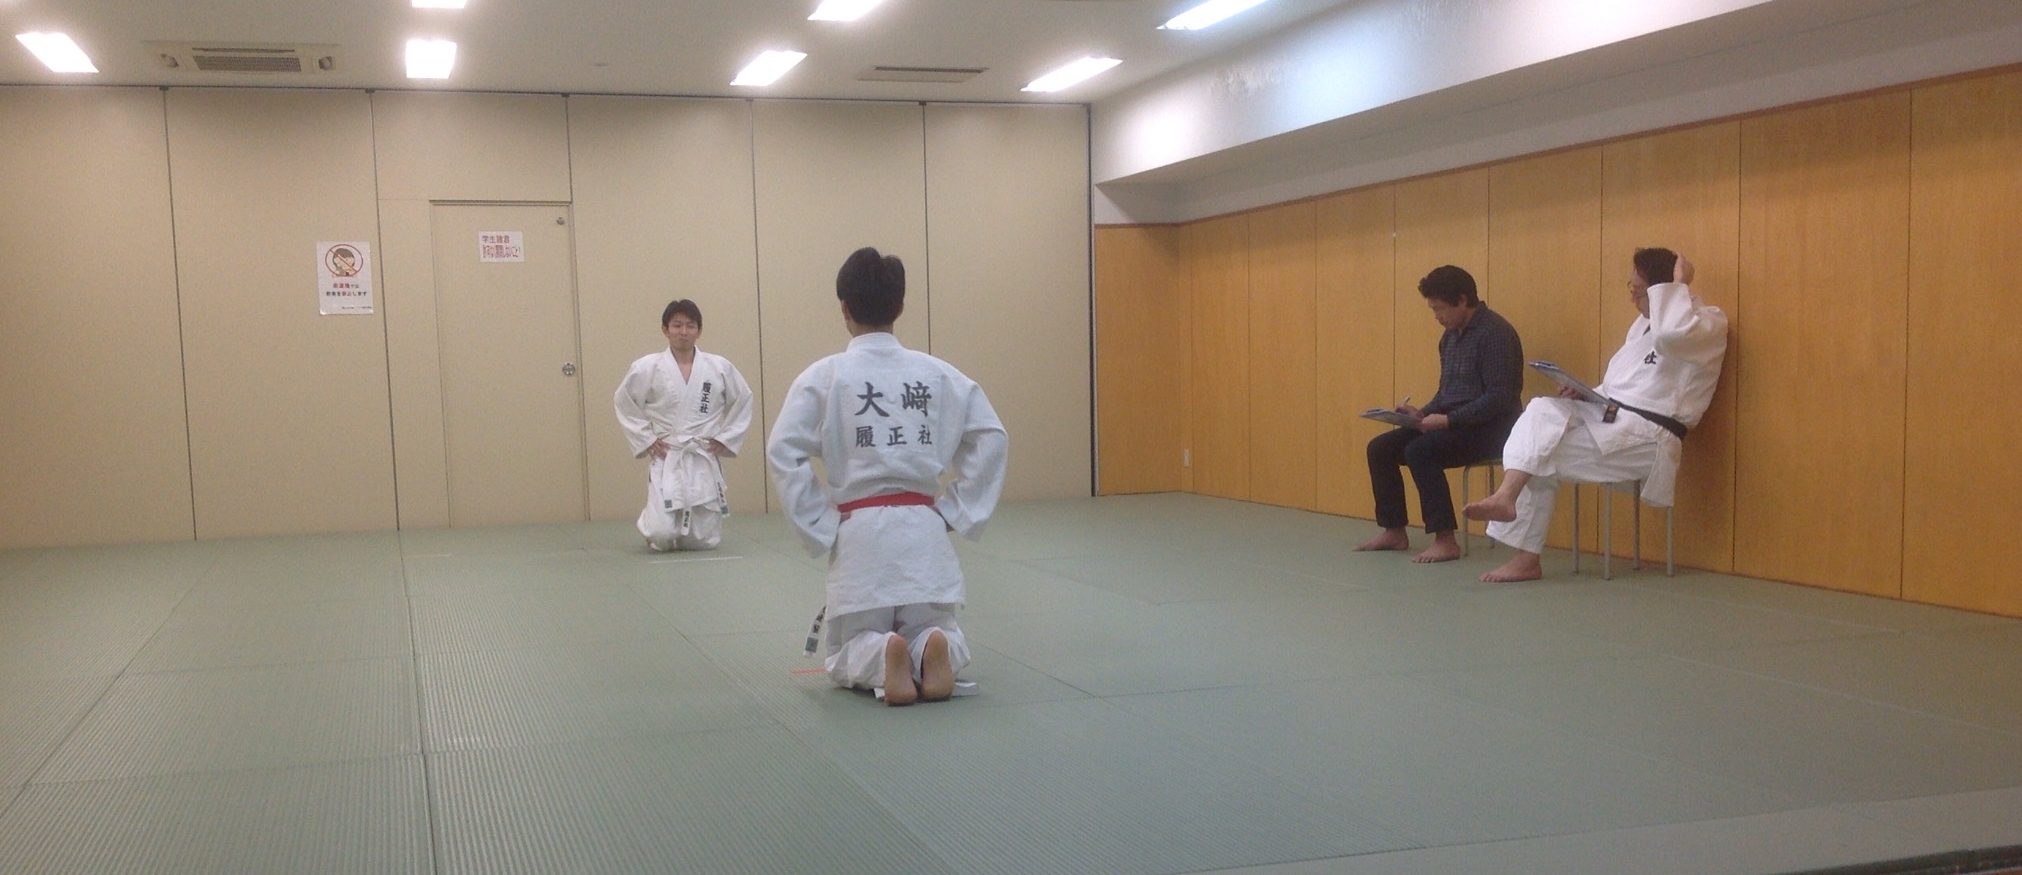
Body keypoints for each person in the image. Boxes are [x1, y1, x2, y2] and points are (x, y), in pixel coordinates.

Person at [767, 247, 1008, 706]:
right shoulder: (939, 375)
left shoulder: (824, 377)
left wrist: (819, 521)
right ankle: (932, 645)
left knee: (846, 648)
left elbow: (784, 449)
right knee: (936, 623)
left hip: (860, 533)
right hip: (924, 531)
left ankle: (882, 655)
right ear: (899, 306)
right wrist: (956, 510)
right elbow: (991, 437)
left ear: (844, 308)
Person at [1463, 249, 1728, 583]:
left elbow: (1669, 338)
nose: (1632, 298)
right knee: (1540, 411)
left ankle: (1524, 552)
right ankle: (1506, 499)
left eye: (1638, 291)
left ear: (1663, 290)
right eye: (1630, 288)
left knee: (1539, 455)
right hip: (1613, 420)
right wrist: (1587, 393)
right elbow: (1621, 386)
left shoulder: (1707, 324)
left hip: (1651, 438)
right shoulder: (1642, 327)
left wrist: (1678, 285)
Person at [1356, 265, 1524, 563]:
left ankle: (1445, 539)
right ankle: (1394, 530)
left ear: (1462, 300)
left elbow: (1499, 397)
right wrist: (1421, 413)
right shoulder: (1449, 337)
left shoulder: (1495, 334)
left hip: (1494, 428)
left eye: (1440, 308)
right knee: (1380, 448)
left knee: (1421, 450)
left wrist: (1447, 420)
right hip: (1456, 423)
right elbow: (1447, 394)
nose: (1437, 316)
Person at [614, 299, 754, 551]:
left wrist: (725, 438)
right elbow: (624, 401)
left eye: (690, 325)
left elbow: (743, 399)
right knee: (661, 535)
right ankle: (653, 522)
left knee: (702, 541)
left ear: (699, 331)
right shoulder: (647, 367)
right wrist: (646, 439)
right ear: (665, 329)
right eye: (677, 325)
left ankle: (688, 528)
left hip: (702, 453)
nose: (683, 331)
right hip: (668, 453)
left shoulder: (718, 367)